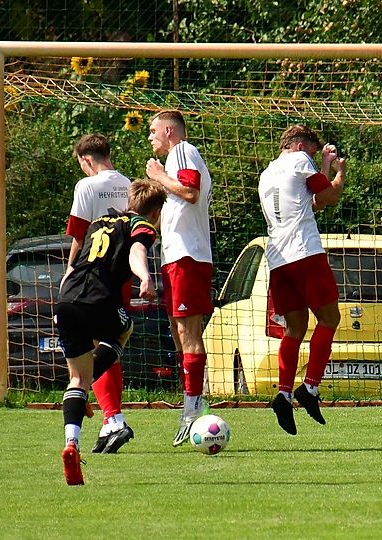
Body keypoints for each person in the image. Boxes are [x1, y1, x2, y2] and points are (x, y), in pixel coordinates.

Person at [58, 178, 166, 485]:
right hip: (99, 299)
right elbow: (136, 252)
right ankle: (86, 390)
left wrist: (61, 302)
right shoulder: (141, 225)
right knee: (124, 327)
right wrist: (145, 277)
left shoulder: (98, 222)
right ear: (156, 212)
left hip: (67, 299)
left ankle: (71, 444)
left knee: (76, 380)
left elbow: (76, 261)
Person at [258, 124, 345, 435]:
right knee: (330, 318)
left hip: (278, 260)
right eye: (311, 150)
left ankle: (283, 393)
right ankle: (309, 388)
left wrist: (323, 165)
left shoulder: (267, 173)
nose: (312, 156)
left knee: (294, 329)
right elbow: (328, 196)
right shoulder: (299, 160)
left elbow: (311, 201)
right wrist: (339, 172)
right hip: (305, 253)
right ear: (298, 145)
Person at [145, 110, 214, 446]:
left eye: (153, 130)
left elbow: (190, 191)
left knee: (188, 332)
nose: (150, 137)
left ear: (169, 131)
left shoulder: (182, 151)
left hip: (189, 257)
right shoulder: (174, 159)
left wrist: (158, 175)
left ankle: (193, 405)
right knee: (177, 330)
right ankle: (193, 396)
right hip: (175, 257)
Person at [65, 133, 134, 454]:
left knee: (94, 345)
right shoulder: (129, 185)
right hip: (122, 274)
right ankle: (112, 419)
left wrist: (70, 272)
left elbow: (79, 236)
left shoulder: (87, 186)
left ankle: (113, 419)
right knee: (111, 343)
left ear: (86, 159)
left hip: (92, 277)